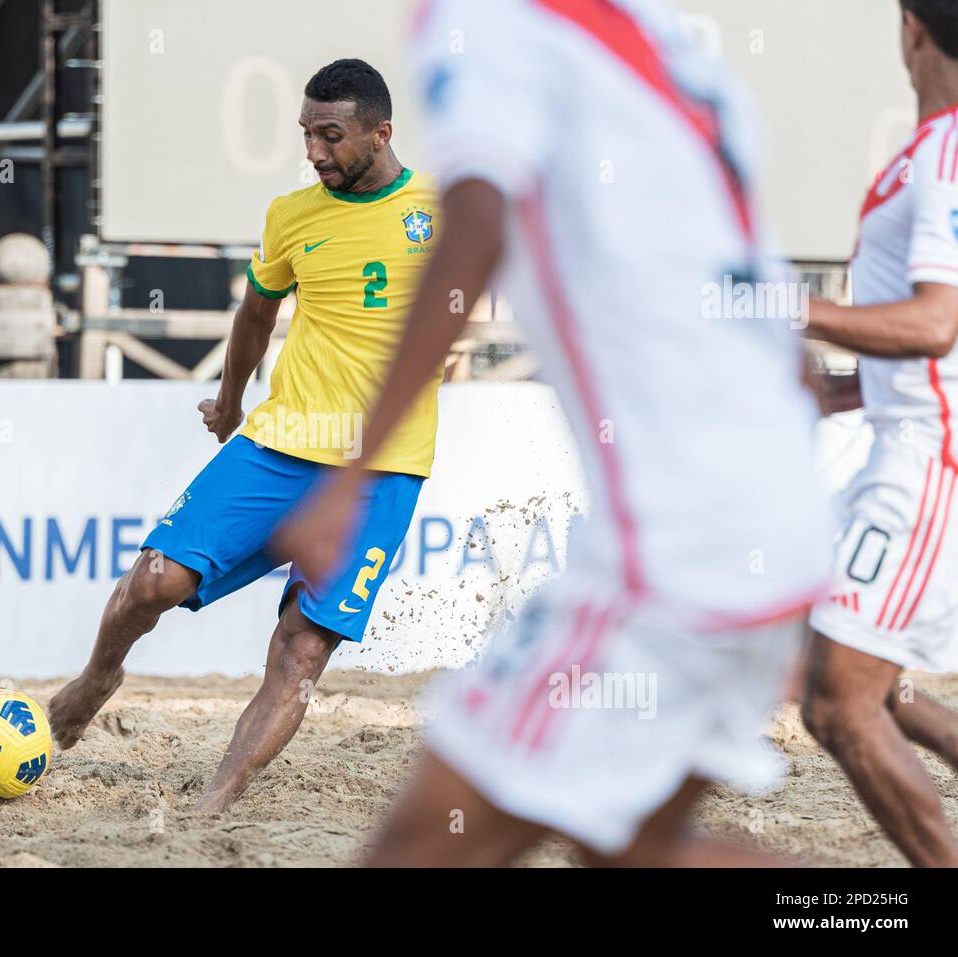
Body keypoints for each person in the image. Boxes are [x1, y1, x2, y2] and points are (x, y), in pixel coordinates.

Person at [276, 0, 831, 865]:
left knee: (416, 852)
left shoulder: (486, 18)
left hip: (676, 536)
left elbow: (476, 228)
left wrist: (348, 474)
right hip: (770, 504)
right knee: (631, 849)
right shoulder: (662, 39)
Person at [48, 59, 443, 813]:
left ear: (380, 133)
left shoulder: (440, 212)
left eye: (331, 136)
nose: (315, 152)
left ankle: (210, 809)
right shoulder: (292, 216)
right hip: (284, 442)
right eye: (306, 135)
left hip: (382, 469)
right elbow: (255, 314)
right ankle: (100, 673)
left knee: (299, 652)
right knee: (156, 579)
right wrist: (229, 404)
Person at [800, 0, 958, 867]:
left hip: (924, 462)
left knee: (839, 702)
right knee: (829, 663)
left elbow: (937, 324)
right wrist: (834, 391)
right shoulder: (928, 154)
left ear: (910, 28)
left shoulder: (945, 154)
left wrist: (794, 306)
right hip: (900, 447)